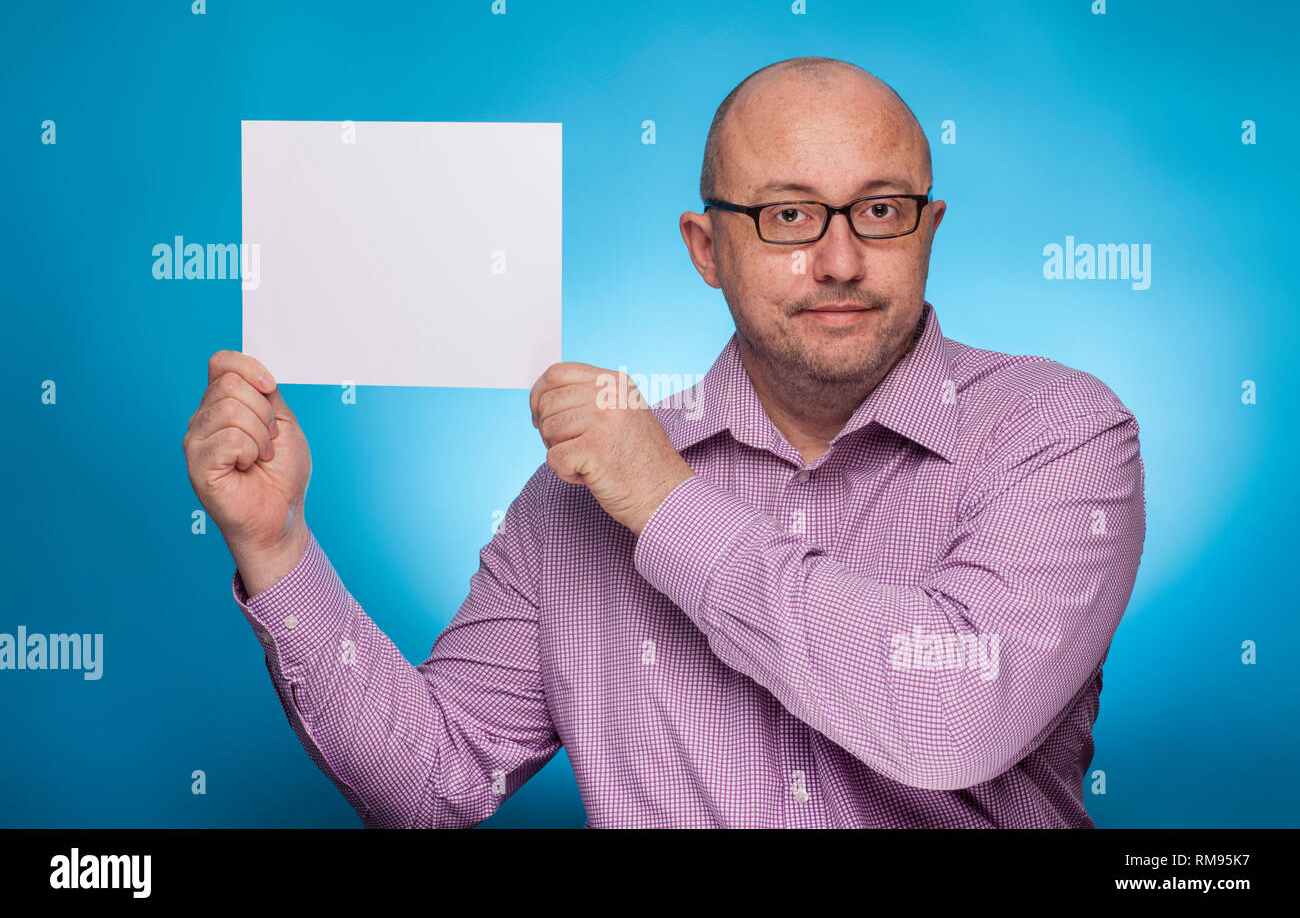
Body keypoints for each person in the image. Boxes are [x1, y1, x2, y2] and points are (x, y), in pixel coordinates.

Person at [182, 56, 1146, 827]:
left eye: (882, 211)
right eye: (788, 216)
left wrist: (666, 505)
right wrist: (276, 549)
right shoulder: (575, 496)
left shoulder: (1059, 433)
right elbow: (434, 786)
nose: (842, 259)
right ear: (705, 249)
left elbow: (956, 720)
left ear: (929, 227)